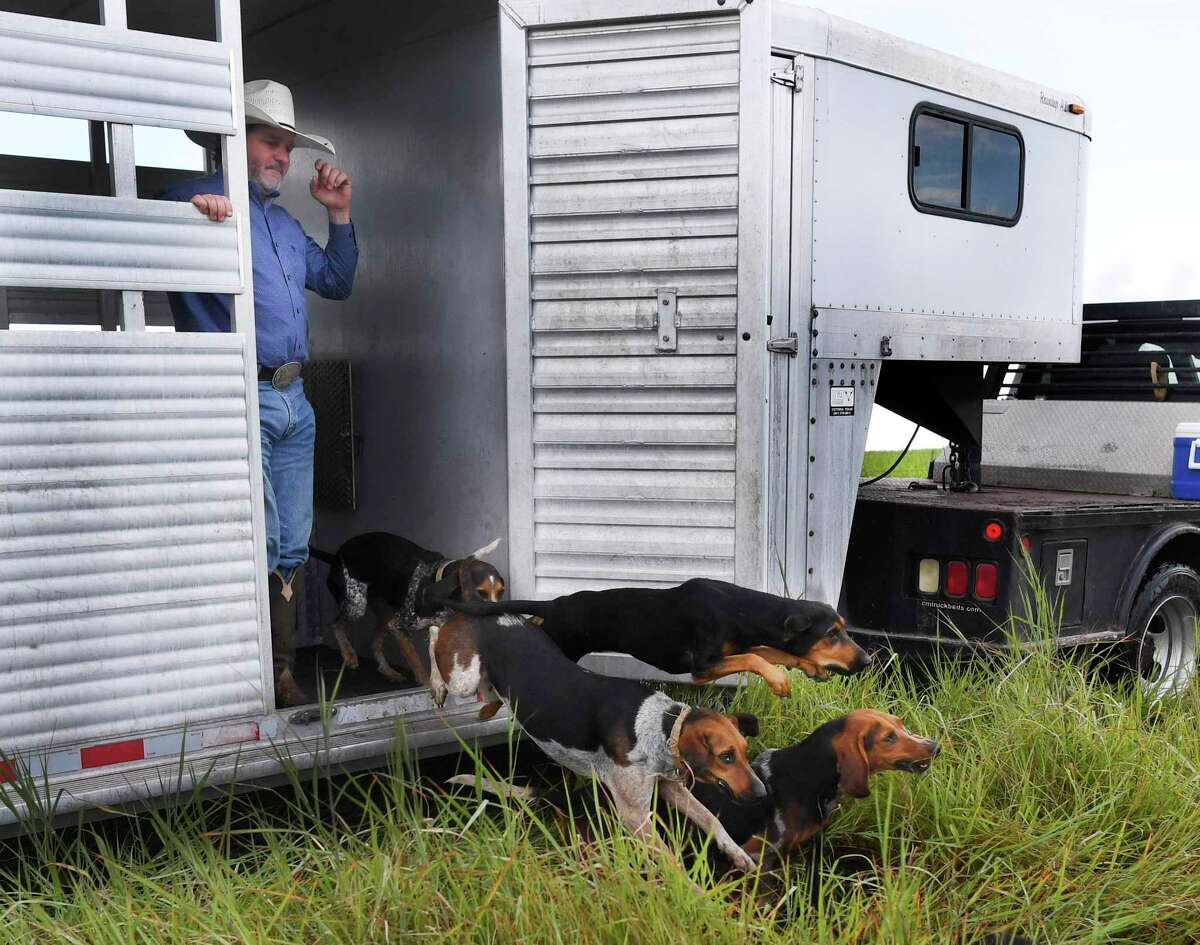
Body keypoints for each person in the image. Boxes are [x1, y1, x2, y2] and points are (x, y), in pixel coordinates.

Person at [161, 79, 358, 707]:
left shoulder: (284, 224)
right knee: (261, 535)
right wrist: (197, 210)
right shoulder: (194, 202)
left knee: (293, 539)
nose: (284, 157)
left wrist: (338, 214)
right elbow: (156, 223)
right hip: (239, 393)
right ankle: (249, 674)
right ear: (231, 139)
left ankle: (281, 670)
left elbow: (338, 281)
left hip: (295, 399)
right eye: (271, 142)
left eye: (288, 148)